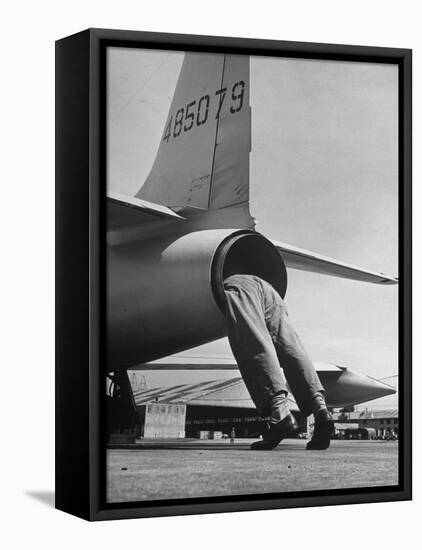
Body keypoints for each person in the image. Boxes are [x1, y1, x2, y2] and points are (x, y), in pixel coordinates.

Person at [223, 273, 334, 451]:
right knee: (290, 346)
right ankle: (321, 409)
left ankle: (280, 414)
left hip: (238, 286)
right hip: (269, 288)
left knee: (253, 342)